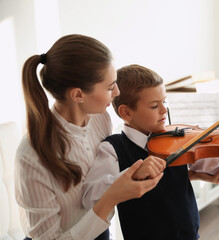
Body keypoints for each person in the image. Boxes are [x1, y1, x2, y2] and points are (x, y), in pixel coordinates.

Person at [82, 64, 219, 240]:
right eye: (155, 105)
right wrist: (131, 173)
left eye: (164, 102)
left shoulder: (176, 141)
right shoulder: (113, 149)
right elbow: (91, 194)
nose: (165, 111)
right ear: (126, 112)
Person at [15, 35, 165, 240]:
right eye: (110, 87)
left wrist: (185, 174)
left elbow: (105, 174)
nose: (117, 92)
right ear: (78, 95)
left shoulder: (100, 119)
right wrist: (110, 198)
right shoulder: (31, 156)